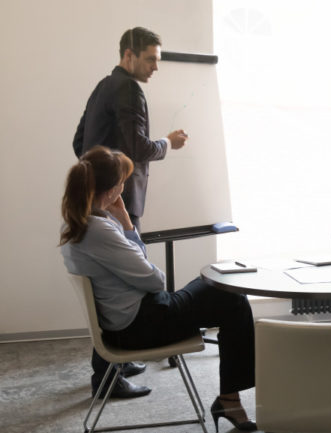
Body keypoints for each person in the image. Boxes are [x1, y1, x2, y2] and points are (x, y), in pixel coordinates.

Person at [60, 146, 257, 432]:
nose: (125, 186)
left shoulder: (77, 223)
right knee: (233, 297)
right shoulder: (99, 230)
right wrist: (127, 227)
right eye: (123, 180)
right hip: (141, 325)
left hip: (133, 319)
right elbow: (155, 280)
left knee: (216, 283)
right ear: (113, 189)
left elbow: (143, 276)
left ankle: (230, 399)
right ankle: (229, 400)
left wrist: (126, 225)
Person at [72, 26, 188, 399]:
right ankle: (109, 377)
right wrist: (167, 143)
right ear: (129, 55)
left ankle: (117, 364)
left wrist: (97, 181)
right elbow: (137, 147)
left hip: (99, 198)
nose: (156, 66)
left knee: (110, 284)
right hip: (118, 200)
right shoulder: (129, 89)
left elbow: (78, 143)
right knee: (127, 281)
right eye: (151, 58)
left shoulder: (103, 85)